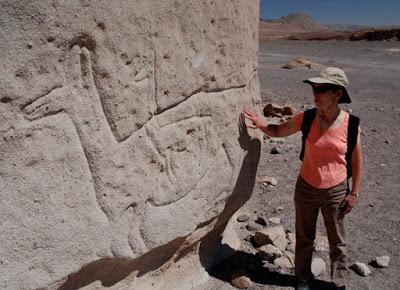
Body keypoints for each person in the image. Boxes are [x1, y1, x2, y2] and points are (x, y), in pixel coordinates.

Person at [243, 67, 363, 290]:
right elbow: (278, 131)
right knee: (304, 236)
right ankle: (302, 278)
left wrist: (353, 192)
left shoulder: (351, 124)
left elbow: (356, 162)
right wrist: (260, 123)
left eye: (322, 89)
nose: (315, 93)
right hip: (306, 187)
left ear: (338, 93)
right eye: (314, 88)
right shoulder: (306, 117)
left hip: (336, 190)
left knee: (337, 241)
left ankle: (339, 283)